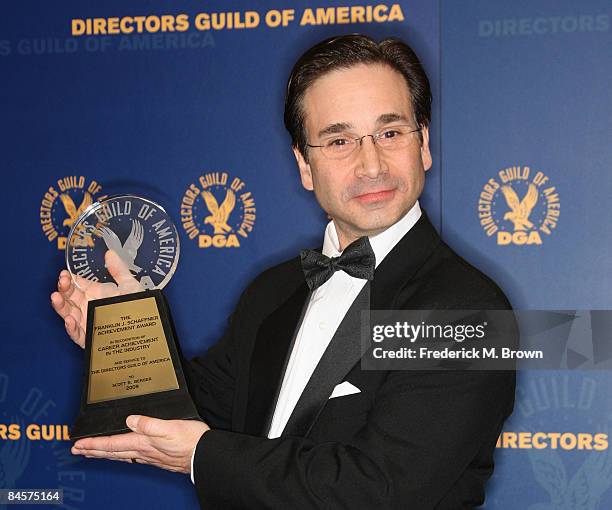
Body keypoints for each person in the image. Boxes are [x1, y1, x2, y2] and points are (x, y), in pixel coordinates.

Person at [51, 35, 515, 509]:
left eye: (390, 133)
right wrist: (124, 332)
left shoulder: (467, 310)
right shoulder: (270, 291)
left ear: (424, 145)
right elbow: (188, 410)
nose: (371, 164)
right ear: (305, 165)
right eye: (339, 141)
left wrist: (201, 455)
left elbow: (381, 491)